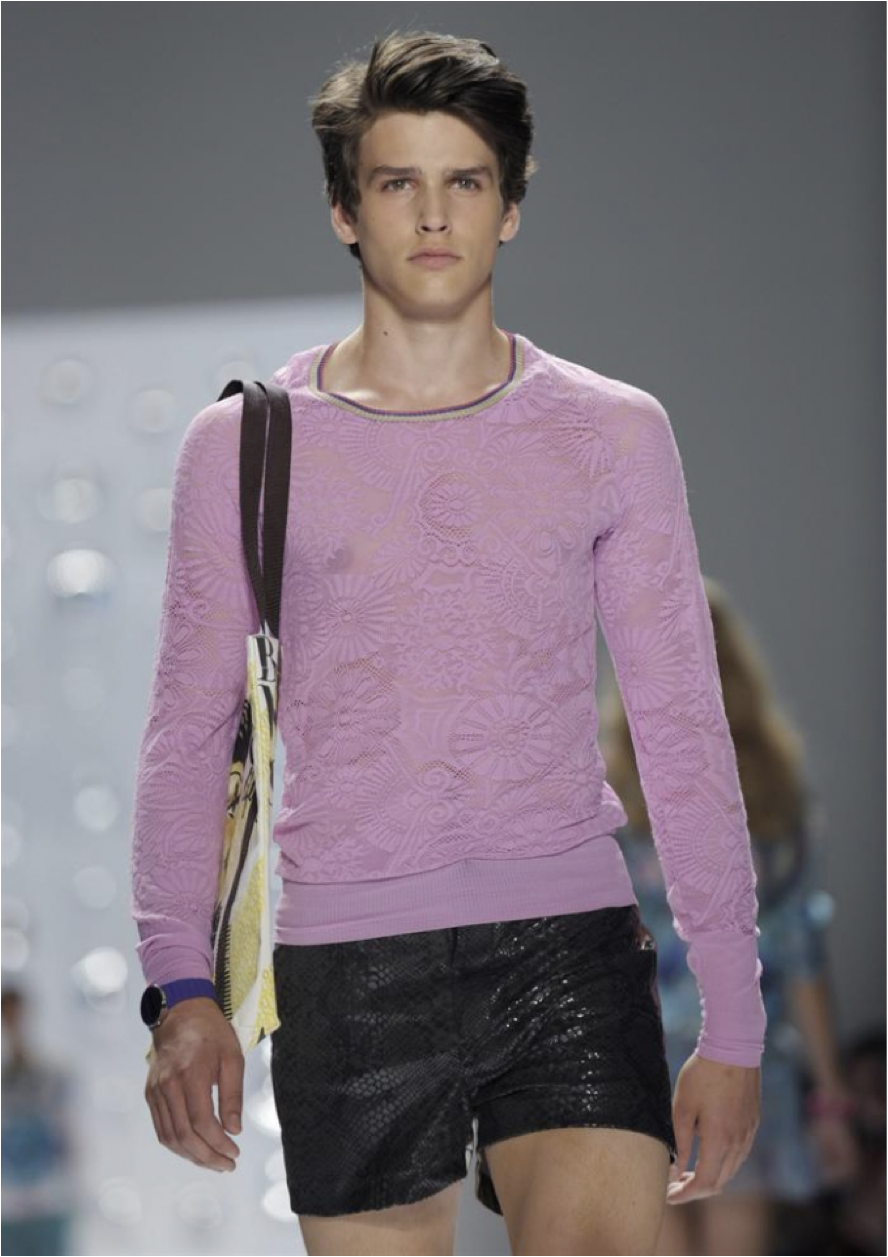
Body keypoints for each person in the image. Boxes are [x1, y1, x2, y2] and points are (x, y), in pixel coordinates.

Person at [130, 29, 766, 1257]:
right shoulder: (245, 448)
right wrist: (181, 988)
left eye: (465, 181)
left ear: (510, 207)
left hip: (568, 950)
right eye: (396, 182)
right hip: (348, 966)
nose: (433, 215)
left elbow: (681, 726)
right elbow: (187, 735)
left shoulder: (612, 434)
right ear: (344, 211)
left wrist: (733, 1023)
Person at [600, 575, 860, 1256]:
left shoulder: (616, 786)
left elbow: (798, 946)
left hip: (671, 1063)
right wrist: (831, 1098)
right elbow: (801, 950)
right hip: (721, 1060)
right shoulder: (770, 785)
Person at [1, 984, 79, 1257]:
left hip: (50, 1201)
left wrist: (74, 1187)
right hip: (7, 1207)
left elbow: (69, 1133)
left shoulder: (53, 1073)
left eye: (16, 1014)